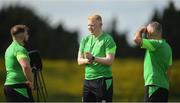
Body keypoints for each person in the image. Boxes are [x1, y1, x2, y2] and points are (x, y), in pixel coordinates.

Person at [77, 14, 116, 102]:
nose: (90, 28)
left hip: (103, 80)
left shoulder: (108, 39)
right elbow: (79, 61)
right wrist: (87, 60)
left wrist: (94, 58)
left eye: (93, 25)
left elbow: (110, 61)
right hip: (87, 80)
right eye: (88, 25)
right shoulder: (84, 40)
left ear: (100, 25)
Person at [133, 21, 172, 102]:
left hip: (153, 85)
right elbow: (169, 71)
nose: (146, 34)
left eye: (147, 32)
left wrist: (140, 30)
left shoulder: (155, 44)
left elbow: (136, 39)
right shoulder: (168, 47)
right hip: (164, 88)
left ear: (150, 32)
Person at [4, 24, 34, 102]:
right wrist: (31, 81)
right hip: (19, 87)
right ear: (23, 35)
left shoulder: (9, 49)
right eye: (27, 34)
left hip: (9, 86)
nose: (28, 36)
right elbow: (25, 66)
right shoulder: (20, 49)